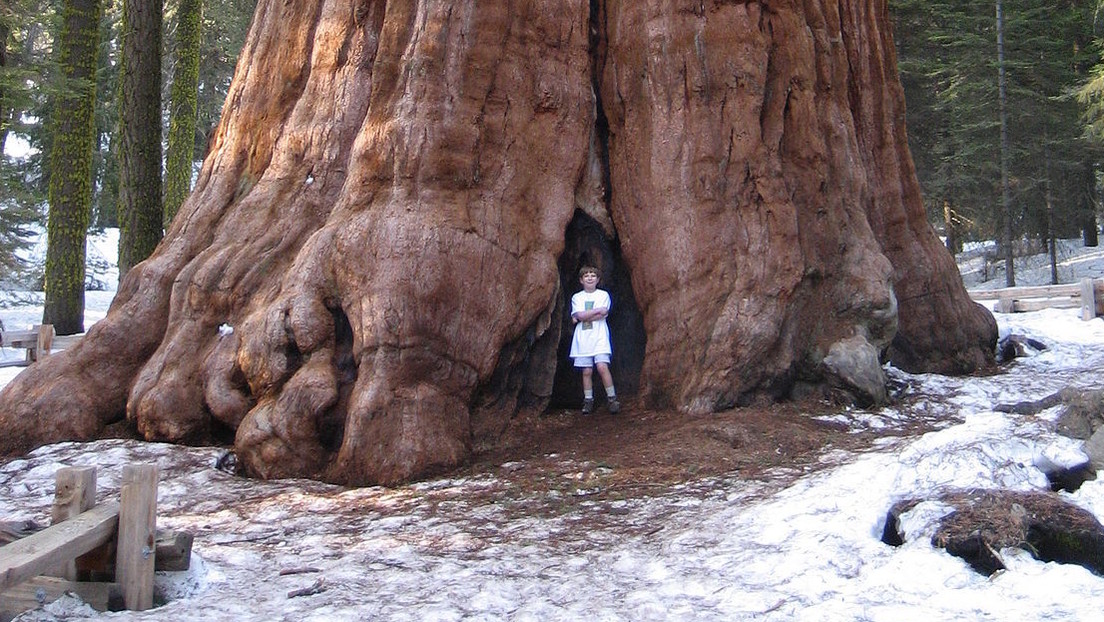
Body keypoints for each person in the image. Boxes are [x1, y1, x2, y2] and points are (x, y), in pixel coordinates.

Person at [569, 265, 620, 414]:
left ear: (598, 279)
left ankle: (612, 399)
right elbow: (581, 315)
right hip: (583, 338)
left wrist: (581, 315)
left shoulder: (603, 295)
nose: (590, 278)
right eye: (586, 275)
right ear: (581, 280)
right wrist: (595, 311)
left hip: (599, 336)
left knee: (602, 367)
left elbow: (603, 314)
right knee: (586, 371)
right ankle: (588, 400)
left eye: (593, 275)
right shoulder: (577, 297)